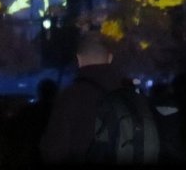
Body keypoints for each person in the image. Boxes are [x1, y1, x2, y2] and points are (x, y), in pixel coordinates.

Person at [39, 30, 154, 163]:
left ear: (79, 59)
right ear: (110, 58)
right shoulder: (132, 95)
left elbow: (54, 150)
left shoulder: (69, 98)